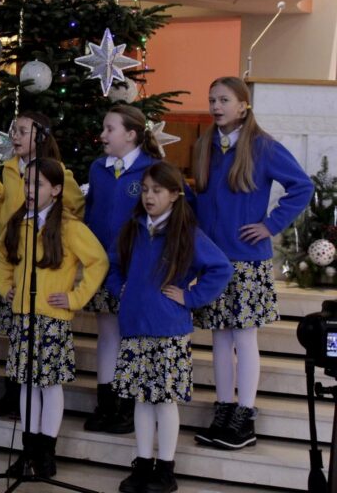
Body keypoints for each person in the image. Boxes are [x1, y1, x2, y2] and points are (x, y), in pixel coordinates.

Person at [192, 76, 314, 450]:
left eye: (224, 100)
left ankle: (244, 416)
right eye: (212, 100)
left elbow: (302, 186)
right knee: (219, 337)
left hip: (246, 259)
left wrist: (270, 225)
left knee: (243, 338)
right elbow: (201, 198)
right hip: (213, 259)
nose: (216, 106)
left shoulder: (262, 147)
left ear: (243, 106)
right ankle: (224, 409)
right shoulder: (205, 144)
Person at [107, 162, 232, 493]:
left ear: (175, 194)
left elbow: (220, 268)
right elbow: (113, 266)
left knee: (164, 401)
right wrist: (120, 288)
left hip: (168, 330)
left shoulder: (186, 233)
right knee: (141, 399)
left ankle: (165, 469)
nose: (149, 196)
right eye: (145, 190)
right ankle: (142, 464)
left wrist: (190, 297)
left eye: (157, 191)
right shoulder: (132, 229)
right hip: (134, 327)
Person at [0, 157, 108, 478]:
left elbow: (98, 261)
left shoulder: (69, 227)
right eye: (26, 182)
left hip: (52, 319)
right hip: (24, 316)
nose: (29, 189)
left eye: (38, 184)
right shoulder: (19, 222)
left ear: (56, 190)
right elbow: (3, 255)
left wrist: (74, 298)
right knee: (27, 384)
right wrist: (6, 286)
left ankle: (46, 452)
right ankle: (28, 449)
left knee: (49, 385)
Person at [0, 111, 85, 418]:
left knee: (33, 338)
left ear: (41, 137)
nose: (15, 137)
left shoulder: (57, 173)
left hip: (39, 265)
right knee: (14, 332)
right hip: (14, 258)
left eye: (22, 131)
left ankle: (28, 397)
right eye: (14, 131)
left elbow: (74, 205)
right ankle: (14, 391)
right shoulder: (9, 169)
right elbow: (4, 203)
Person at [83, 105, 165, 434]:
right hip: (103, 264)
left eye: (109, 129)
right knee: (107, 332)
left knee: (130, 334)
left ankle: (128, 404)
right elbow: (91, 211)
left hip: (135, 267)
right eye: (103, 128)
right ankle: (107, 402)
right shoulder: (98, 168)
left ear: (131, 135)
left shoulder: (152, 169)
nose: (102, 135)